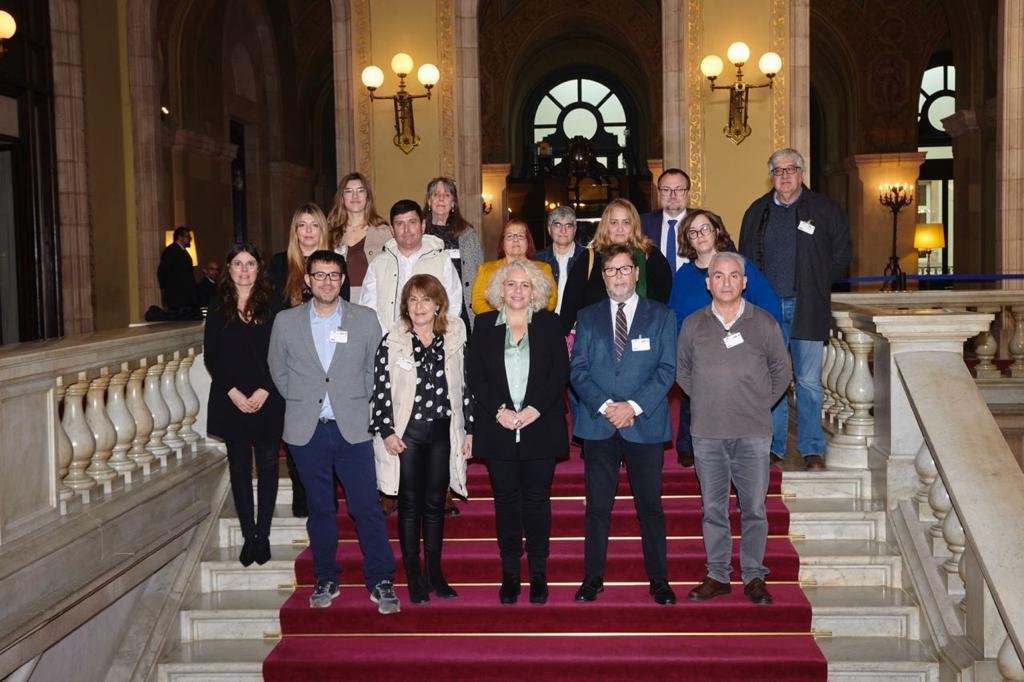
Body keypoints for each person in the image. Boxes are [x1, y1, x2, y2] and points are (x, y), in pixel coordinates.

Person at [268, 250, 400, 614]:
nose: (327, 281)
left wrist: (359, 403)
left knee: (365, 507)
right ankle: (325, 577)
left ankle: (381, 578)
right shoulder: (285, 322)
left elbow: (378, 371)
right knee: (320, 510)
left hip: (353, 428)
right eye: (319, 275)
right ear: (307, 280)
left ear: (343, 280)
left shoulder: (365, 319)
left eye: (334, 275)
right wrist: (303, 399)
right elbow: (278, 371)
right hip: (306, 431)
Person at [677, 252, 791, 605]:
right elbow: (682, 372)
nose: (726, 282)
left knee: (754, 508)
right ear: (708, 282)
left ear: (744, 282)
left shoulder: (765, 323)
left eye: (733, 276)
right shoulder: (693, 325)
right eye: (718, 276)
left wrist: (757, 403)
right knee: (712, 508)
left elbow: (782, 372)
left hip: (754, 433)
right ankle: (718, 574)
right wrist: (711, 399)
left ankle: (755, 576)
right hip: (707, 433)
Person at [569, 243, 677, 606]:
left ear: (635, 273)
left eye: (625, 269)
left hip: (643, 423)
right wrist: (605, 406)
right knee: (597, 507)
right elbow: (578, 370)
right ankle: (592, 578)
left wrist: (631, 406)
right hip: (599, 425)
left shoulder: (661, 316)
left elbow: (667, 370)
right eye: (611, 270)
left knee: (651, 508)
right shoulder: (587, 317)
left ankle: (659, 580)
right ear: (603, 277)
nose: (618, 276)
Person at [739, 148, 851, 470]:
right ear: (771, 176)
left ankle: (812, 447)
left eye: (791, 169)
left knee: (809, 382)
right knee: (772, 379)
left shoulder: (825, 210)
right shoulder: (757, 212)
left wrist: (815, 282)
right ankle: (775, 446)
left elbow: (842, 255)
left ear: (802, 173)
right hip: (766, 309)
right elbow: (744, 260)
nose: (785, 176)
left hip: (808, 306)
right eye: (778, 171)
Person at [468, 260, 568, 605]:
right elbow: (475, 375)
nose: (518, 291)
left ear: (536, 291)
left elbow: (559, 372)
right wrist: (501, 411)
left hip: (541, 426)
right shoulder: (482, 325)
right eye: (511, 284)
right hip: (498, 428)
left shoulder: (550, 324)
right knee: (506, 502)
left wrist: (532, 410)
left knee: (538, 501)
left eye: (525, 285)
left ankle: (539, 573)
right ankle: (510, 573)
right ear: (500, 289)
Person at [370, 275, 472, 604]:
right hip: (408, 434)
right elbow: (380, 389)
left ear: (438, 304)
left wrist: (469, 429)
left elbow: (464, 387)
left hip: (442, 431)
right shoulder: (393, 341)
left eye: (425, 300)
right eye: (412, 300)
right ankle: (413, 573)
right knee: (410, 504)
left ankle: (436, 572)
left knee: (434, 504)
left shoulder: (453, 339)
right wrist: (386, 430)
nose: (419, 307)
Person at [667, 208, 782, 467]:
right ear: (687, 239)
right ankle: (689, 444)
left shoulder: (738, 265)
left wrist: (764, 343)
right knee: (692, 400)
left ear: (717, 231)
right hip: (698, 355)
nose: (700, 235)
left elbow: (768, 305)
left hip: (740, 352)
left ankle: (742, 449)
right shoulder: (684, 276)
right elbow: (673, 316)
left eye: (705, 228)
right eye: (693, 232)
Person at [204, 242, 284, 567]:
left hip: (268, 395)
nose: (244, 270)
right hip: (230, 398)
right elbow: (212, 356)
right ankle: (247, 534)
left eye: (250, 263)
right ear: (229, 269)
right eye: (238, 263)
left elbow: (282, 352)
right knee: (239, 468)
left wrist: (266, 388)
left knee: (267, 466)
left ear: (258, 268)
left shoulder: (274, 305)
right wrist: (233, 392)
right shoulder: (218, 305)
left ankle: (263, 535)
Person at [267, 203, 333, 518]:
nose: (307, 232)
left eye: (313, 225)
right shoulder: (280, 265)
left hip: (327, 364)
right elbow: (269, 314)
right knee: (297, 432)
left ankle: (326, 498)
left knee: (329, 433)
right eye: (301, 225)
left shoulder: (335, 263)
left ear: (323, 230)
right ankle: (302, 495)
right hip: (293, 364)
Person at [559, 198, 673, 335]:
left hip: (645, 341)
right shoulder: (589, 259)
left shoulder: (651, 256)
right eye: (614, 222)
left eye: (626, 222)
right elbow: (569, 309)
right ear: (605, 226)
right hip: (597, 343)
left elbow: (665, 303)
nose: (620, 228)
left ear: (635, 226)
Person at [361, 200, 463, 334]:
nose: (406, 229)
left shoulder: (441, 260)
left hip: (432, 341)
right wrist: (389, 338)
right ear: (392, 230)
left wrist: (436, 336)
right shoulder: (378, 264)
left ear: (423, 225)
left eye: (412, 222)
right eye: (399, 224)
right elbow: (369, 308)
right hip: (389, 342)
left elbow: (453, 304)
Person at [424, 177, 483, 329]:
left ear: (453, 203)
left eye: (447, 194)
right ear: (429, 201)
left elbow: (480, 274)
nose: (441, 198)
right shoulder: (419, 235)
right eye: (436, 194)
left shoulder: (468, 235)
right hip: (427, 306)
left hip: (463, 308)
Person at [327, 172, 392, 303]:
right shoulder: (330, 233)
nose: (355, 196)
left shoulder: (385, 233)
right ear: (342, 197)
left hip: (374, 301)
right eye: (349, 191)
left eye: (360, 191)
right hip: (338, 301)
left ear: (367, 196)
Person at [471, 218, 557, 314]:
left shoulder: (543, 268)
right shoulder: (485, 269)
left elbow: (551, 300)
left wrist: (526, 314)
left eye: (520, 236)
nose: (515, 240)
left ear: (528, 242)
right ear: (502, 244)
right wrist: (504, 316)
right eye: (510, 236)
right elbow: (477, 302)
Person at [533, 206, 583, 314]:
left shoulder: (588, 258)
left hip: (579, 323)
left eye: (568, 225)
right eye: (558, 225)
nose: (563, 230)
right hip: (547, 322)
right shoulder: (537, 260)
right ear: (549, 229)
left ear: (575, 229)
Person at [641, 168, 691, 274]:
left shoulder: (706, 222)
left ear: (688, 193)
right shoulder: (643, 223)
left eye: (679, 189)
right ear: (659, 193)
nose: (672, 195)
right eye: (666, 189)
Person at [158, 226, 198, 313]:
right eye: (187, 237)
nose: (190, 239)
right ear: (180, 237)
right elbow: (163, 270)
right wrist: (164, 288)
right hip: (177, 294)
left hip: (185, 294)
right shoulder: (171, 250)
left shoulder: (183, 251)